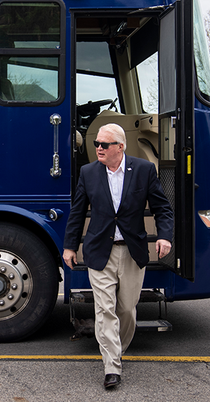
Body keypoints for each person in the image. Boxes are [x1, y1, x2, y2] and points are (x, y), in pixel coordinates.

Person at [63, 123, 173, 390]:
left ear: (120, 147)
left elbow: (162, 208)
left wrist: (164, 236)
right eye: (96, 144)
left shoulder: (144, 170)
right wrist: (70, 246)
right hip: (100, 251)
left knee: (126, 309)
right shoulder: (88, 173)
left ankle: (117, 349)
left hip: (132, 252)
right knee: (104, 310)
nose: (98, 148)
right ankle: (112, 366)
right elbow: (78, 212)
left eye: (104, 144)